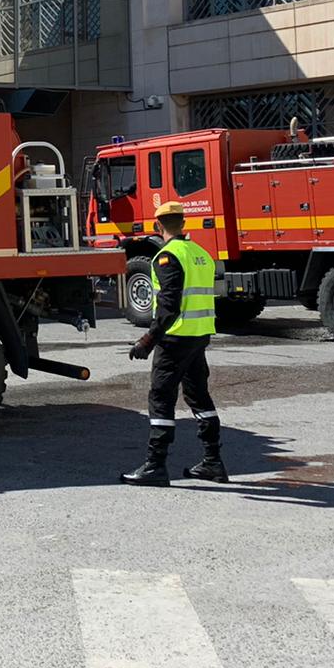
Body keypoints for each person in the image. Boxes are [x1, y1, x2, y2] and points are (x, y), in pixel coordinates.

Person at [121, 200, 227, 487]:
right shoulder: (201, 254)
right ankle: (213, 461)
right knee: (199, 397)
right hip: (199, 336)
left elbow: (169, 306)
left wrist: (147, 340)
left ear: (158, 226)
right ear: (184, 224)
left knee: (161, 398)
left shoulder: (167, 257)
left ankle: (155, 466)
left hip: (175, 339)